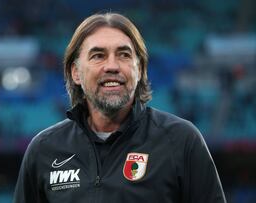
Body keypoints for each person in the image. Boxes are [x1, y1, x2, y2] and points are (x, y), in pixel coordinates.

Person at [13, 12, 226, 203]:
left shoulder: (181, 140)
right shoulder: (43, 149)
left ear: (140, 69)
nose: (112, 66)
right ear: (75, 72)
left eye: (124, 55)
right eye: (98, 56)